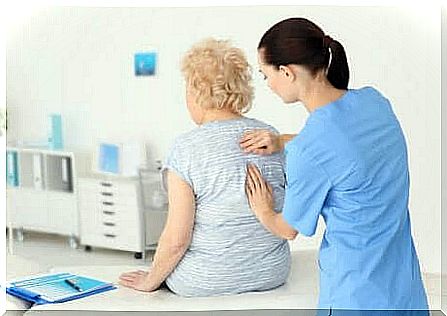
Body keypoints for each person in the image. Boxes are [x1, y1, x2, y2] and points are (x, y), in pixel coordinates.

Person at [241, 17, 429, 312]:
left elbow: (288, 229)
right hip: (405, 291)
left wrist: (263, 209)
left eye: (265, 75)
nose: (268, 84)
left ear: (286, 72)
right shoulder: (374, 102)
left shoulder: (311, 149)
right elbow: (343, 144)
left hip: (354, 297)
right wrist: (283, 140)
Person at [119, 38, 291, 297]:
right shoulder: (270, 137)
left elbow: (177, 239)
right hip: (272, 273)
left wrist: (151, 279)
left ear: (196, 92)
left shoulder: (186, 148)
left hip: (206, 280)